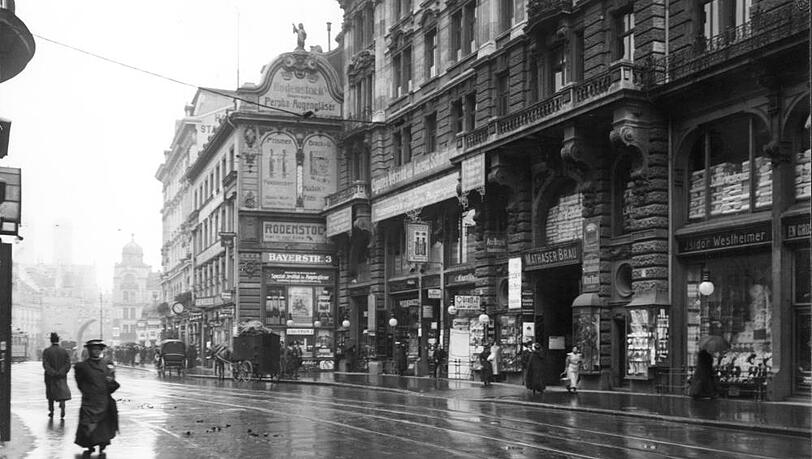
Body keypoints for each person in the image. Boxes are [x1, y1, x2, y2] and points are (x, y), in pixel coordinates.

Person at [74, 339, 119, 457]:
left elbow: (112, 384)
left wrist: (111, 382)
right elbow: (80, 383)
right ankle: (90, 445)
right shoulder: (82, 367)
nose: (97, 351)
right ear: (89, 351)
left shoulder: (107, 365)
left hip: (104, 400)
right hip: (90, 400)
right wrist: (87, 392)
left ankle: (102, 444)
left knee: (103, 425)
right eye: (94, 349)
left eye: (99, 349)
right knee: (88, 424)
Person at [42, 332, 72, 419]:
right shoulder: (64, 351)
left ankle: (51, 410)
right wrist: (61, 372)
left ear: (51, 341)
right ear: (58, 340)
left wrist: (52, 372)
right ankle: (62, 406)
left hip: (50, 376)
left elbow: (45, 364)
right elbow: (67, 363)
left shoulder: (47, 351)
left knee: (50, 393)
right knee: (61, 391)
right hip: (61, 376)